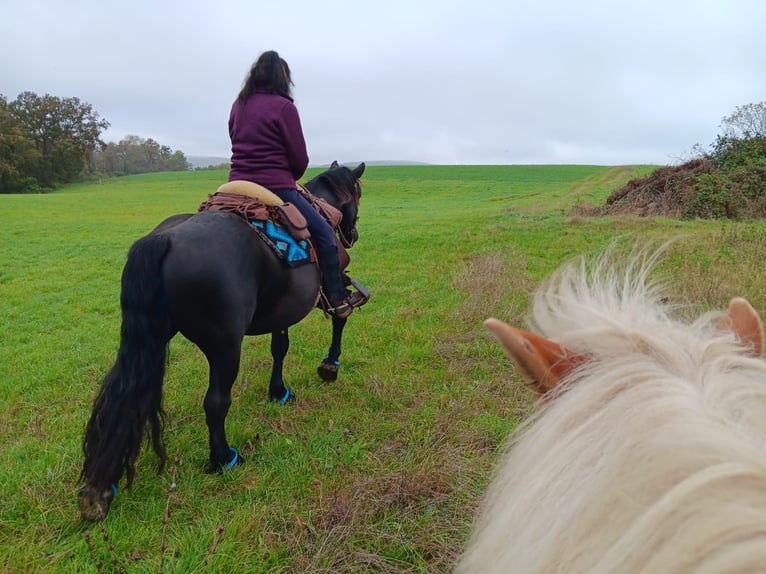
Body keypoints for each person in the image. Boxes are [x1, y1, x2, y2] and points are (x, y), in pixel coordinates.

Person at [228, 50, 365, 318]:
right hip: (274, 186)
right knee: (325, 235)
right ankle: (337, 298)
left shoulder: (238, 104)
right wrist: (287, 175)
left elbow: (234, 138)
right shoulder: (284, 107)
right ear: (282, 78)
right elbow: (300, 159)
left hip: (235, 186)